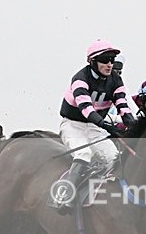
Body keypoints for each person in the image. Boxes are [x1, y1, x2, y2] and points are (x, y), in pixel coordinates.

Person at [55, 39, 136, 214]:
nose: (110, 64)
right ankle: (66, 196)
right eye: (105, 60)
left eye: (112, 60)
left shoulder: (116, 80)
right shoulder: (80, 79)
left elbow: (123, 106)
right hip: (73, 125)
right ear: (92, 62)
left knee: (113, 157)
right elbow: (86, 109)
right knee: (84, 154)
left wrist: (133, 127)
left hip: (94, 127)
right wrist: (107, 126)